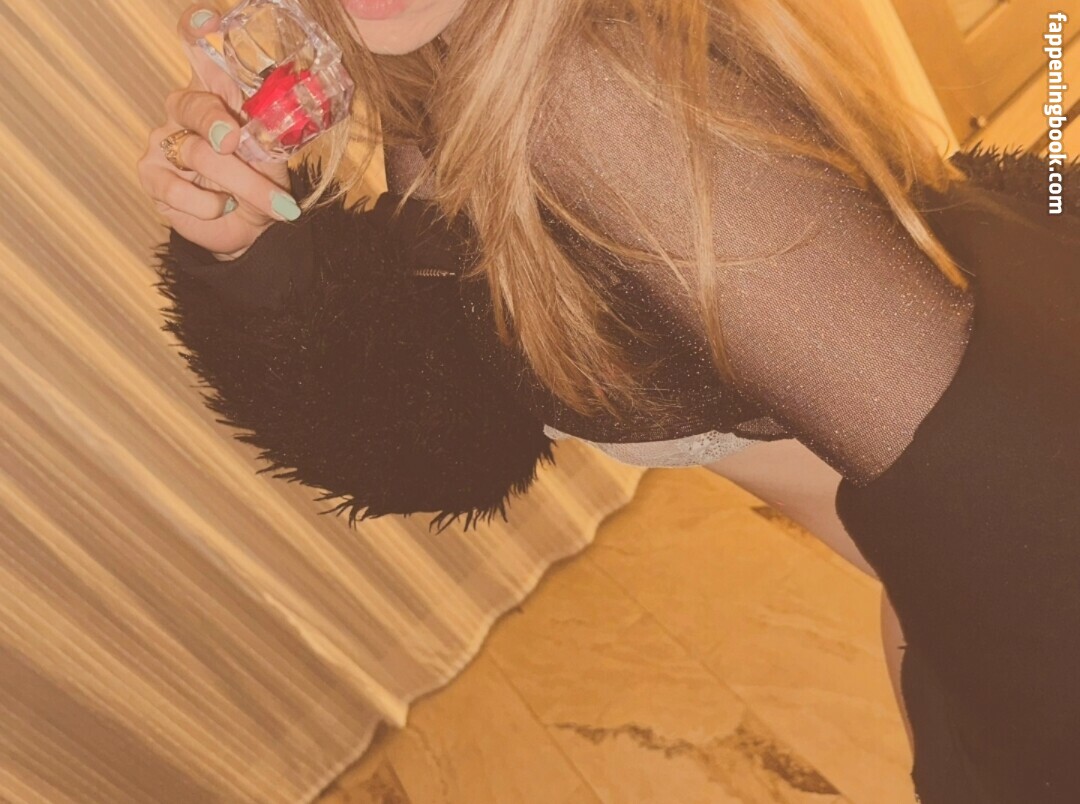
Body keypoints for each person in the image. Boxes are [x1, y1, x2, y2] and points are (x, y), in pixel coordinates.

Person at [137, 1, 1080, 800]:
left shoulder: (594, 97)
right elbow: (459, 426)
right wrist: (252, 260)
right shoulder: (454, 61)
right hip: (944, 602)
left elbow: (1022, 499)